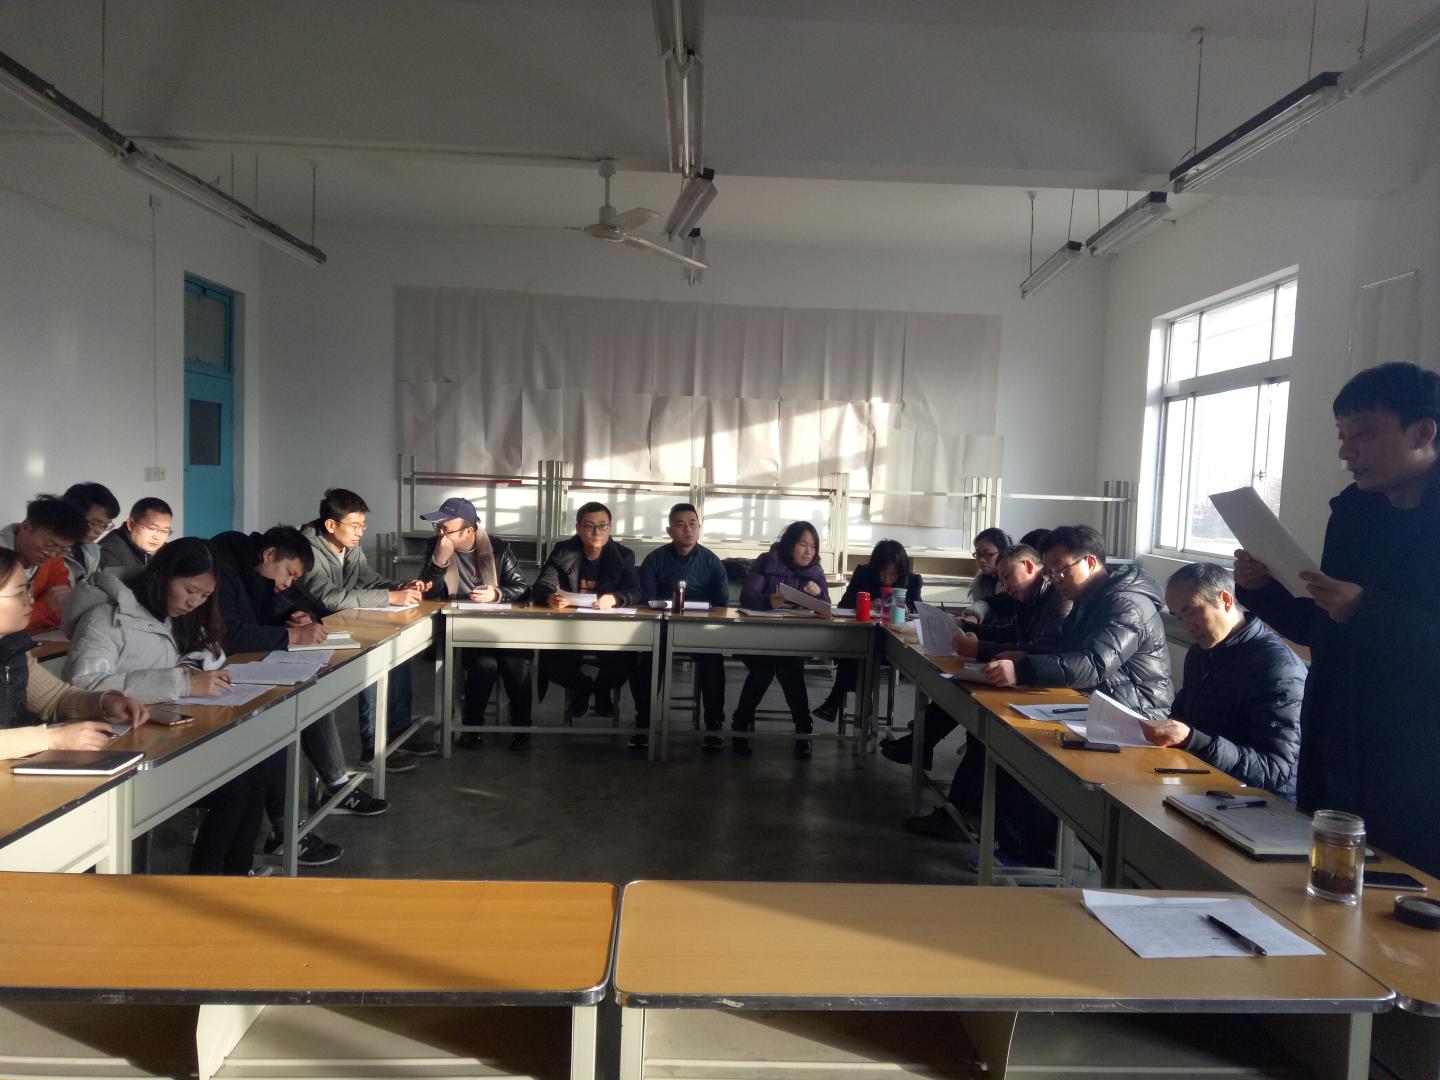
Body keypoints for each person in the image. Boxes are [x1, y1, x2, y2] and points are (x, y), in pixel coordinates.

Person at [1235, 362, 1440, 874]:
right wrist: (1261, 590)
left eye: (1363, 434)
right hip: (1335, 746)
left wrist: (1366, 610)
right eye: (1342, 436)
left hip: (1418, 764)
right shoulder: (1354, 512)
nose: (1347, 453)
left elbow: (1367, 620)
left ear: (1423, 432)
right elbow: (1323, 628)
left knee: (1405, 902)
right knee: (1321, 890)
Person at [61, 539, 265, 875]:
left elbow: (208, 651)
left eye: (205, 595)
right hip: (115, 747)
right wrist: (181, 682)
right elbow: (84, 686)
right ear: (162, 576)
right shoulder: (106, 618)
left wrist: (195, 668)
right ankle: (206, 883)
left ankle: (237, 876)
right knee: (237, 789)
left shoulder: (178, 615)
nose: (195, 602)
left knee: (252, 772)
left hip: (160, 737)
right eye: (190, 590)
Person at [210, 525, 385, 866]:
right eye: (289, 573)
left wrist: (297, 618)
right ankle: (285, 830)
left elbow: (277, 610)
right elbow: (228, 633)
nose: (289, 582)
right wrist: (291, 637)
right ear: (269, 554)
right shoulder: (224, 571)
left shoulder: (260, 572)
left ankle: (336, 784)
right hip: (221, 676)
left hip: (248, 670)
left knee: (308, 693)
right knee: (275, 729)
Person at [898, 542, 1073, 841]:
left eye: (1007, 576)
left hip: (1046, 692)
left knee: (986, 736)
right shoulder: (1029, 597)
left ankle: (964, 816)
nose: (1005, 585)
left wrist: (980, 648)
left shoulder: (1058, 599)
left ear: (1029, 567)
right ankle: (962, 812)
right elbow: (1011, 633)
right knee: (977, 730)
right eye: (1001, 579)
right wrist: (970, 630)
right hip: (1026, 683)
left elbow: (1043, 648)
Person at [292, 488, 438, 768]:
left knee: (398, 653)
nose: (360, 532)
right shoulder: (305, 550)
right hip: (315, 630)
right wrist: (390, 597)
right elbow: (330, 598)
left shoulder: (349, 545)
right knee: (374, 663)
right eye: (355, 526)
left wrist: (401, 586)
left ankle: (399, 730)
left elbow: (369, 580)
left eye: (363, 526)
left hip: (347, 624)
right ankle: (373, 746)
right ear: (331, 524)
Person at [980, 525, 1173, 718]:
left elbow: (1094, 664)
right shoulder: (1086, 598)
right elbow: (1062, 649)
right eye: (1049, 573)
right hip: (1097, 703)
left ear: (1089, 562)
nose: (1055, 580)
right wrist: (1023, 656)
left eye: (1060, 570)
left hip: (1138, 714)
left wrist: (1021, 670)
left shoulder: (1127, 604)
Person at [1152, 562, 1304, 797]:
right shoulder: (1201, 653)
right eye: (1179, 617)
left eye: (1192, 612)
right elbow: (1182, 716)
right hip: (1201, 782)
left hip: (1257, 803)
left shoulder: (1277, 668)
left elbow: (1275, 771)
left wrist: (1195, 741)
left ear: (1225, 599)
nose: (1187, 626)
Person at [0, 545, 150, 758]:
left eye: (28, 589)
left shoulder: (12, 647)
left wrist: (105, 702)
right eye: (19, 593)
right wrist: (51, 739)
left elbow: (54, 699)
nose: (30, 599)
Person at [416, 497, 533, 751]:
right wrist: (439, 562)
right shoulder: (435, 546)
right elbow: (427, 594)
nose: (440, 534)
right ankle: (472, 728)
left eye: (446, 529)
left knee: (516, 664)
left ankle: (522, 730)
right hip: (461, 627)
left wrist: (497, 594)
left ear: (469, 531)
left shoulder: (498, 547)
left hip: (502, 627)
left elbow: (522, 588)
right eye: (438, 528)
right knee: (484, 666)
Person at [627, 503, 731, 751]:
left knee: (713, 663)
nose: (688, 529)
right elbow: (646, 600)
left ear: (699, 527)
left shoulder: (711, 562)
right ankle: (644, 722)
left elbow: (721, 604)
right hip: (662, 629)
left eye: (692, 524)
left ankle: (714, 725)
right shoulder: (655, 560)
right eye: (680, 524)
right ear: (669, 530)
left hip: (700, 632)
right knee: (647, 662)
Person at [532, 502, 640, 719]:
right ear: (578, 528)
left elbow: (635, 591)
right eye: (589, 526)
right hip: (568, 629)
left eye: (602, 525)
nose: (596, 532)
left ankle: (601, 690)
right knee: (551, 663)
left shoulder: (624, 555)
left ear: (610, 527)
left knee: (627, 662)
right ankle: (583, 687)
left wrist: (616, 598)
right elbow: (543, 584)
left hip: (608, 631)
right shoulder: (563, 551)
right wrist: (550, 597)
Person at [731, 520, 829, 759]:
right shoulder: (768, 561)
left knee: (789, 667)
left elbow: (826, 609)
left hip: (794, 640)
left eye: (813, 546)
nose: (808, 551)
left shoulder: (815, 571)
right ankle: (740, 727)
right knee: (764, 669)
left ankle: (803, 730)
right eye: (803, 544)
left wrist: (819, 594)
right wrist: (768, 601)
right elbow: (747, 597)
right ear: (789, 544)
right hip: (759, 638)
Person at [813, 539, 922, 724]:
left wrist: (905, 609)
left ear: (901, 570)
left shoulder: (912, 580)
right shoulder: (864, 573)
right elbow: (844, 604)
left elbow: (918, 610)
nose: (887, 578)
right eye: (883, 573)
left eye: (893, 574)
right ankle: (863, 703)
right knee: (861, 650)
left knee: (860, 651)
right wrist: (866, 604)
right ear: (875, 568)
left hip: (893, 644)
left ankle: (837, 700)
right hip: (863, 639)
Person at [0, 494, 87, 633]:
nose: (52, 555)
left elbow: (60, 611)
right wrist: (45, 607)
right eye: (49, 545)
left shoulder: (54, 560)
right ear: (26, 526)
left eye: (64, 549)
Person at [61, 482, 121, 585]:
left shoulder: (93, 551)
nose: (99, 531)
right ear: (71, 514)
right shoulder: (49, 549)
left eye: (105, 525)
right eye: (94, 523)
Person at [99, 497, 173, 573]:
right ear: (131, 524)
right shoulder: (109, 552)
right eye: (151, 528)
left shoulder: (165, 551)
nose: (157, 537)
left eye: (165, 531)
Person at [958, 527, 1012, 625]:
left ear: (1003, 553)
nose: (982, 560)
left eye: (988, 554)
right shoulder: (982, 582)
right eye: (978, 554)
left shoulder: (1012, 583)